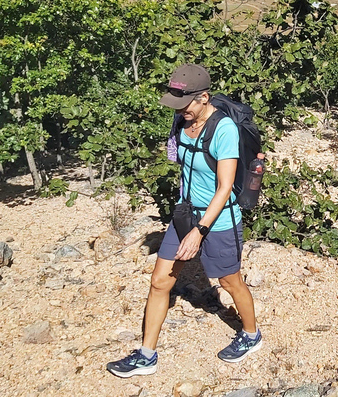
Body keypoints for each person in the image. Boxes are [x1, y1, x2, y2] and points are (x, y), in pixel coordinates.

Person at [107, 64, 261, 377]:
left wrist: (199, 232)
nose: (180, 111)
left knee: (230, 281)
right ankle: (146, 354)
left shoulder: (224, 130)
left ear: (204, 98)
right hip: (184, 212)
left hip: (217, 220)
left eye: (185, 104)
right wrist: (187, 224)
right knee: (160, 281)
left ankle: (251, 334)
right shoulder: (182, 119)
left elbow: (225, 187)